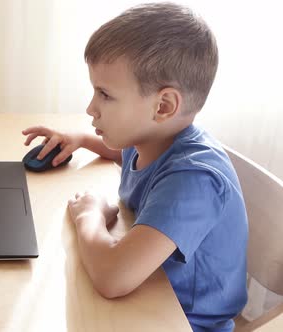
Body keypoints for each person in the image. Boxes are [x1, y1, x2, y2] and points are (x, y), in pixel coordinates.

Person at [22, 3, 248, 331]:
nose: (91, 108)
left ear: (164, 106)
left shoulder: (193, 180)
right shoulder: (157, 142)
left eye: (105, 95)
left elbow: (113, 278)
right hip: (150, 297)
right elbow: (126, 155)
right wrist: (82, 139)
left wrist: (91, 215)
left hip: (183, 321)